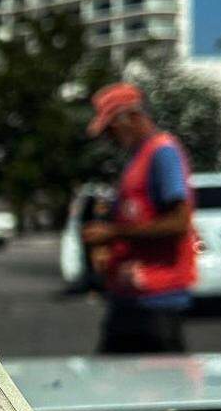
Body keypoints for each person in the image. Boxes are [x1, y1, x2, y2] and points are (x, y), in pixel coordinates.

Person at [81, 82, 198, 354]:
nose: (109, 137)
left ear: (129, 117)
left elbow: (179, 223)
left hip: (157, 300)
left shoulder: (163, 153)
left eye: (111, 128)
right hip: (130, 298)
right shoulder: (139, 158)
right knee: (109, 383)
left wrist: (113, 233)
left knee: (161, 387)